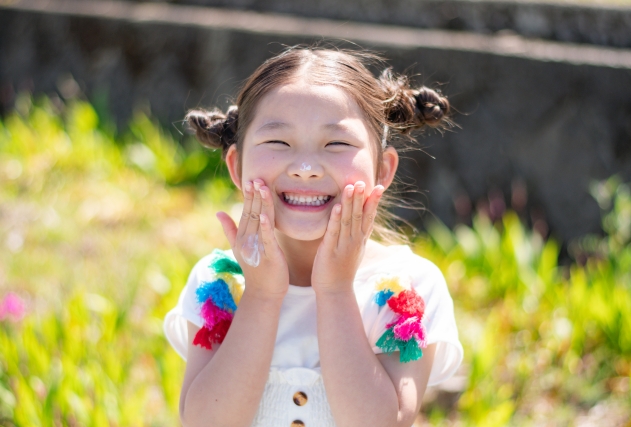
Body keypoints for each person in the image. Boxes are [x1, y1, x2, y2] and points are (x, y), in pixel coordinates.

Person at [163, 46, 463, 427]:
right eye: (278, 142)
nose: (305, 168)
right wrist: (261, 295)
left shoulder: (407, 290)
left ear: (383, 169)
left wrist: (335, 290)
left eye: (336, 144)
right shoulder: (220, 284)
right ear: (236, 167)